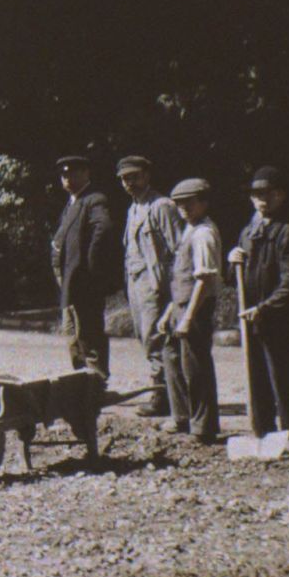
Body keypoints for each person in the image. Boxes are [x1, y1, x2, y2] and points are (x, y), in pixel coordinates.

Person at [230, 165, 289, 451]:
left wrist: (265, 307)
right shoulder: (248, 232)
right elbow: (238, 279)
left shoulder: (288, 233)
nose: (262, 200)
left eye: (268, 194)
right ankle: (262, 432)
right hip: (253, 319)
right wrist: (234, 259)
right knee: (257, 376)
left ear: (281, 196)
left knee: (283, 377)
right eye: (256, 195)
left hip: (281, 320)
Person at [117, 155, 182, 419]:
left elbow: (178, 248)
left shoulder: (162, 206)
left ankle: (164, 395)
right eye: (124, 178)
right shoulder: (133, 209)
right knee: (144, 337)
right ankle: (165, 391)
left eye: (134, 176)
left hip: (155, 282)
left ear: (147, 176)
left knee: (157, 337)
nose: (129, 183)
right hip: (135, 281)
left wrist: (174, 289)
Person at [158, 178, 221, 443]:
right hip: (180, 305)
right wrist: (170, 312)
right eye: (180, 203)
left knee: (196, 368)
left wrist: (188, 317)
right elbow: (181, 276)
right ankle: (182, 416)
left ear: (204, 203)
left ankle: (203, 428)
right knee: (172, 359)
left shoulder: (204, 233)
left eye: (190, 203)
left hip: (196, 308)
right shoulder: (189, 229)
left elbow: (204, 280)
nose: (184, 208)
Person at [50, 154, 118, 375]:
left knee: (88, 334)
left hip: (84, 282)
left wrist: (90, 266)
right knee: (72, 336)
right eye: (64, 174)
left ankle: (96, 383)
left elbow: (104, 229)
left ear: (86, 173)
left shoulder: (94, 199)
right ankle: (80, 384)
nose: (67, 178)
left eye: (73, 173)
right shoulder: (72, 202)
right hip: (69, 281)